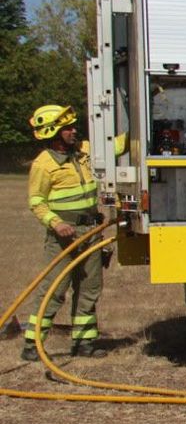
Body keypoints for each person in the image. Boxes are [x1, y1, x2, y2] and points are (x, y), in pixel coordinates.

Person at [23, 105, 107, 360]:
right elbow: (36, 201)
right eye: (67, 128)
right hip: (63, 235)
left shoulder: (84, 151)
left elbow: (116, 145)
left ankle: (84, 343)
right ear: (53, 133)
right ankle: (32, 345)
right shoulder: (43, 164)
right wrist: (56, 223)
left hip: (91, 230)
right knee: (54, 289)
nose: (74, 131)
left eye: (72, 126)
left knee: (90, 288)